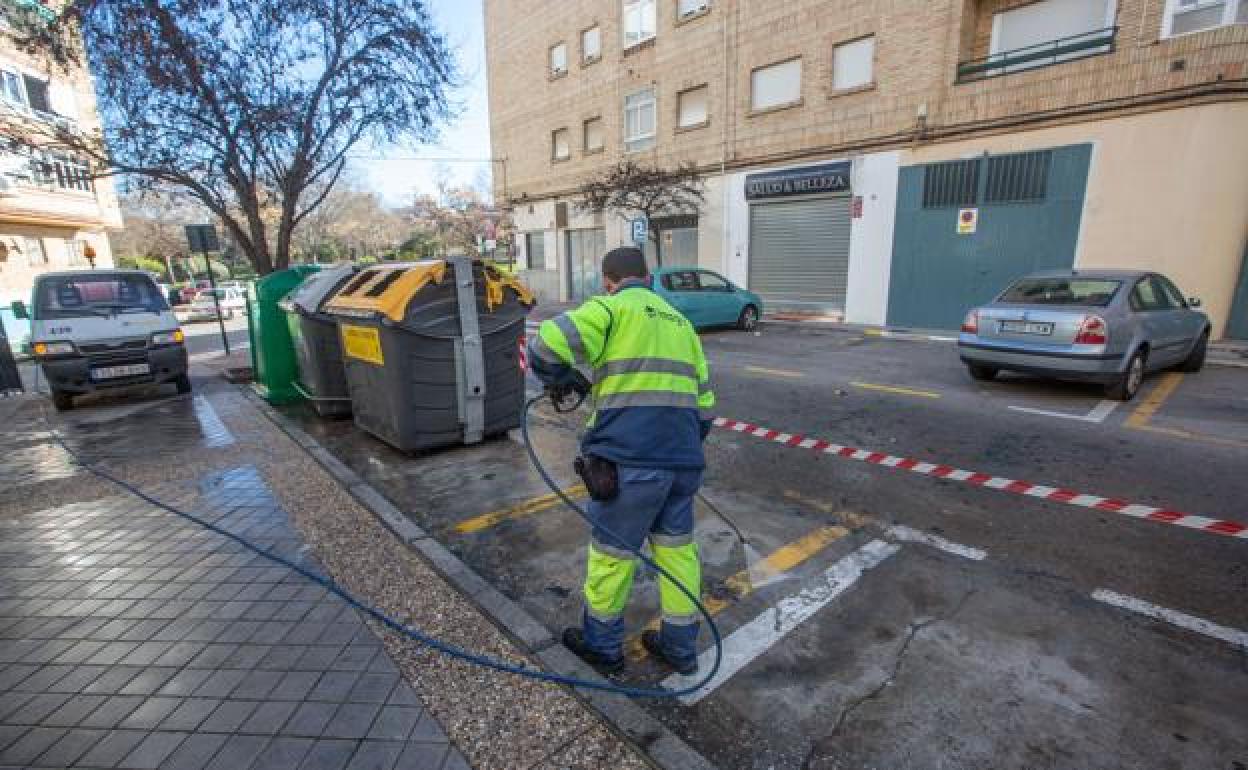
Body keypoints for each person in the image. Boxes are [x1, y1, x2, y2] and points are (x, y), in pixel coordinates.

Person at [528, 247, 714, 675]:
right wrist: (677, 451)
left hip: (630, 463)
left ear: (608, 281)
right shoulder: (682, 325)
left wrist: (564, 379)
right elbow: (705, 407)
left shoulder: (610, 310)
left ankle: (603, 647)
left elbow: (545, 345)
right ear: (649, 278)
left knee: (613, 555)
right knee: (677, 556)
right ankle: (680, 648)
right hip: (682, 461)